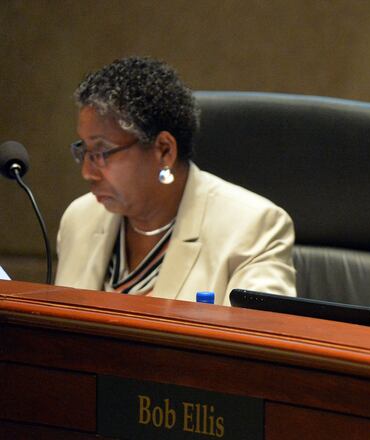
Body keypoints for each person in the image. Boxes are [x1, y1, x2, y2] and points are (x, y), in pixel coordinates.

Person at [55, 57, 296, 305]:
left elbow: (258, 338)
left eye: (101, 152)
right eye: (84, 150)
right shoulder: (79, 219)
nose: (87, 172)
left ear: (164, 150)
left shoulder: (252, 227)